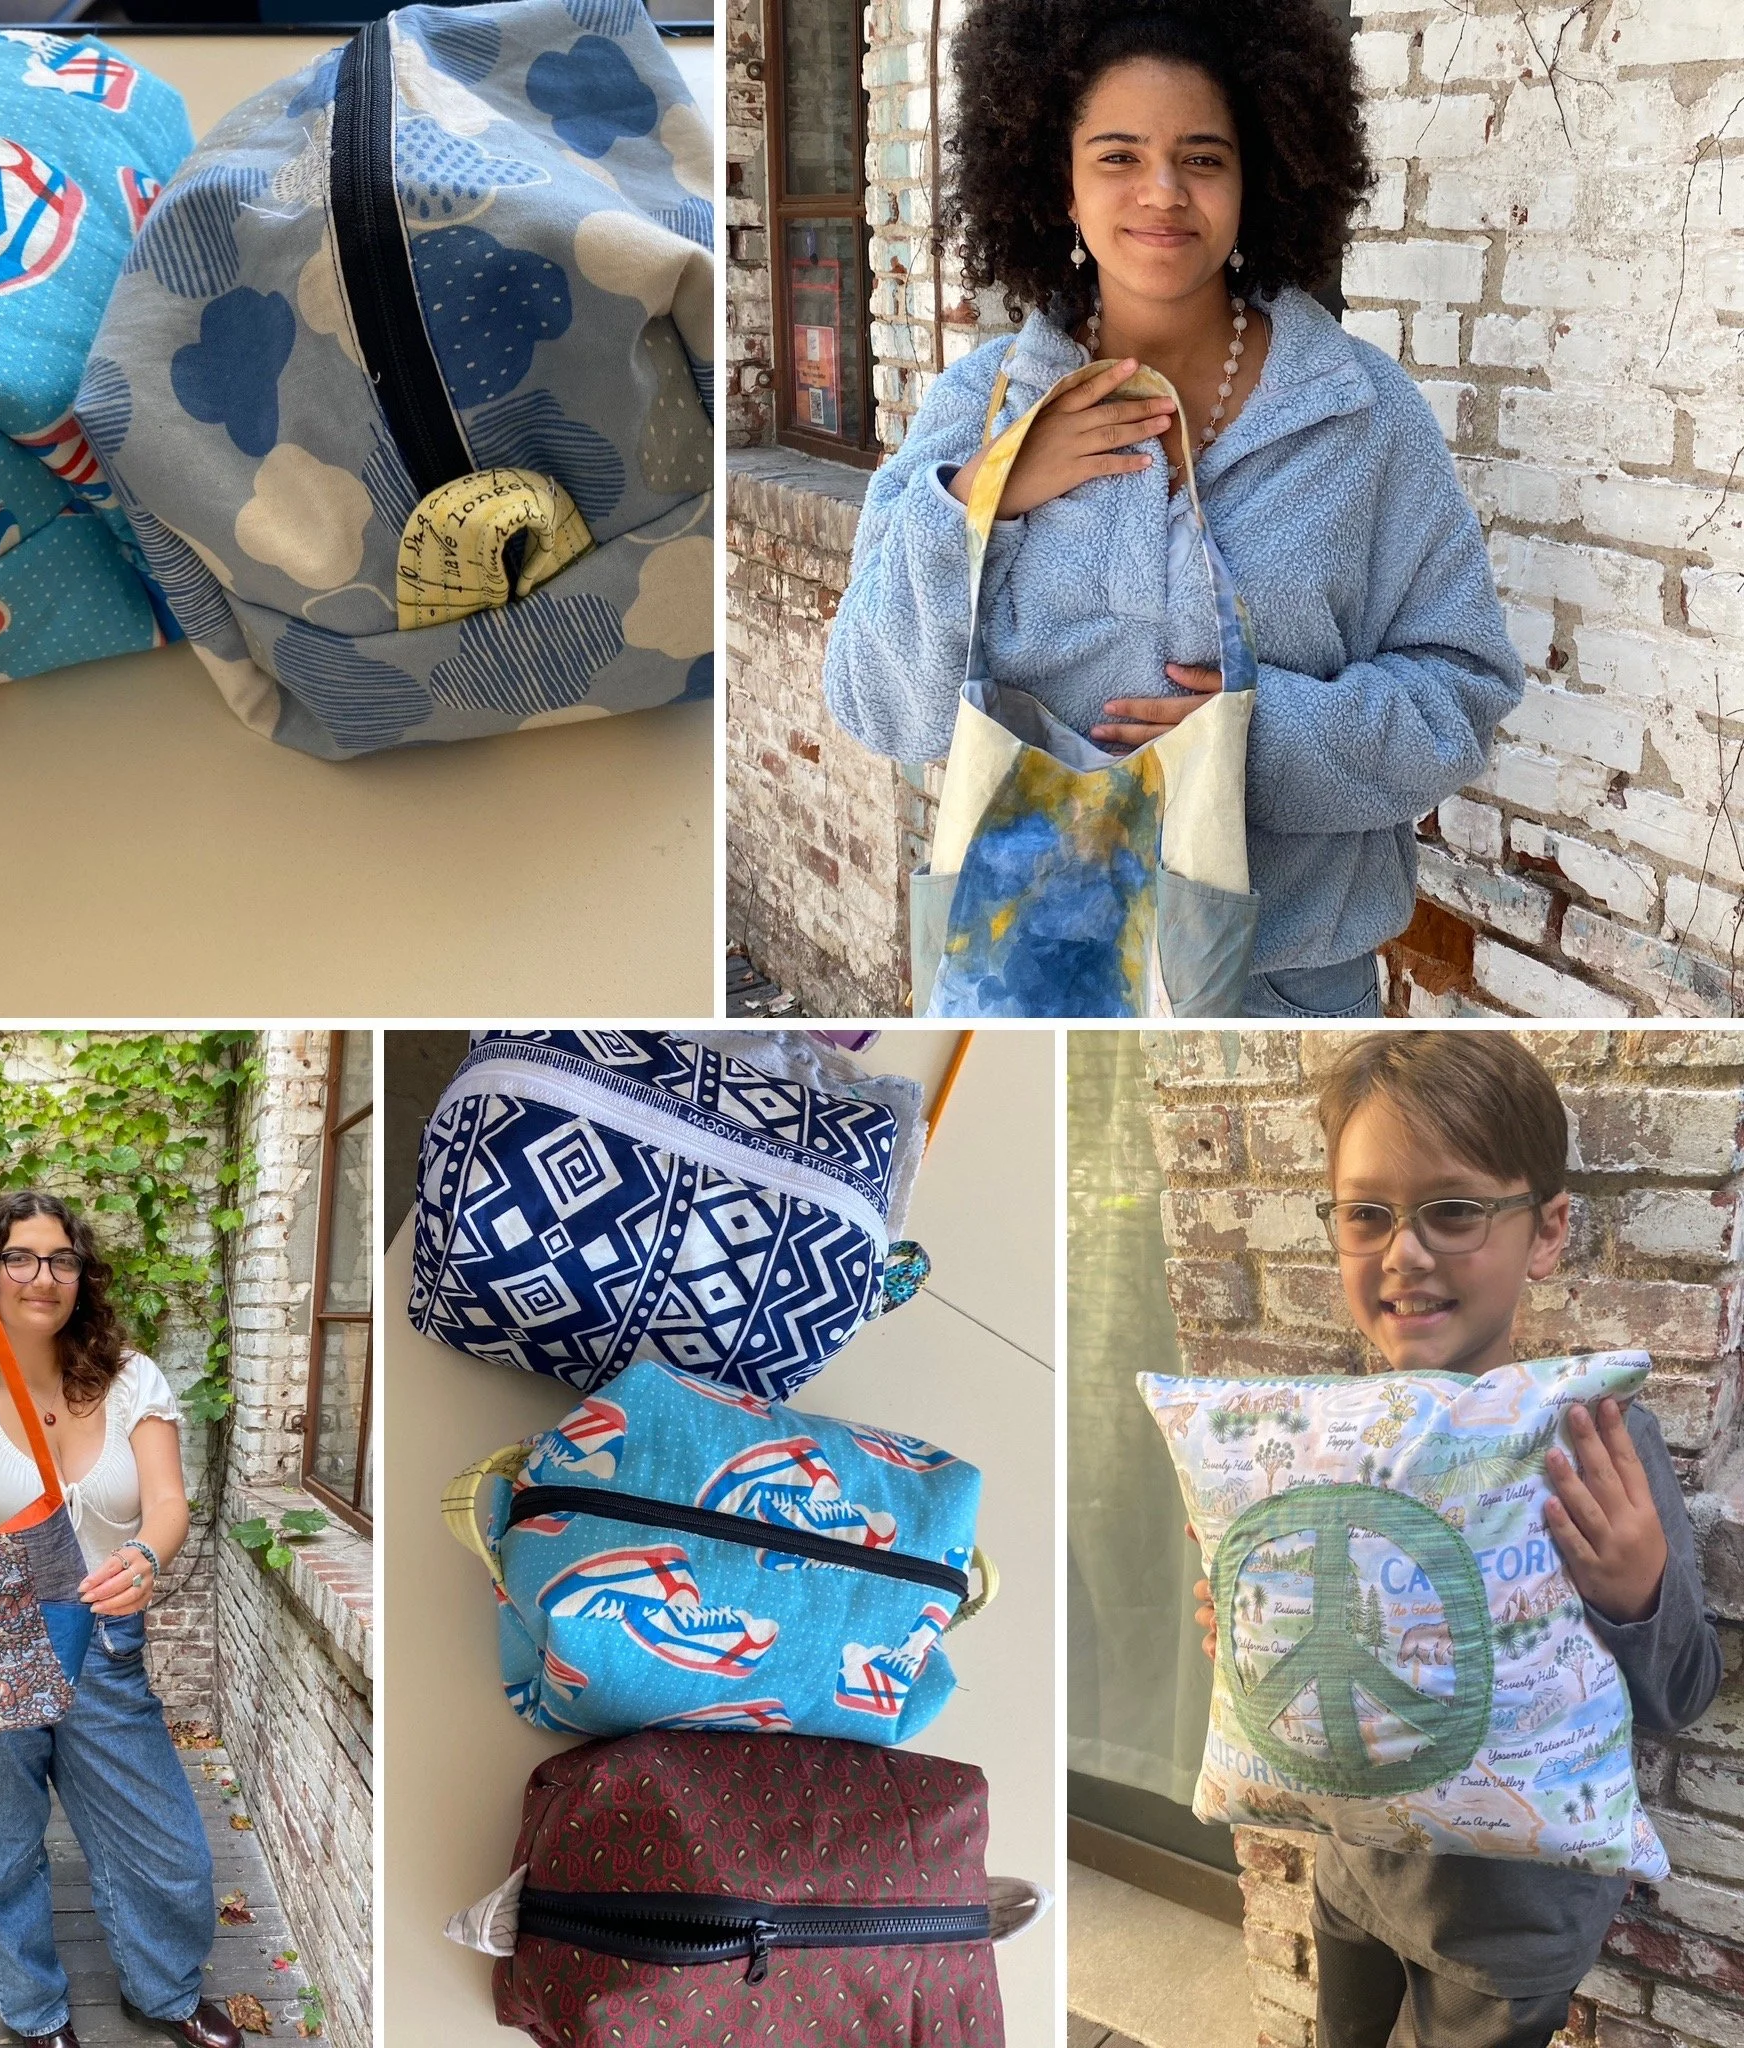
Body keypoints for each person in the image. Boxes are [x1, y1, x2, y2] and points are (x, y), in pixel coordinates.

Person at [820, 0, 1525, 1018]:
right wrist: (980, 498)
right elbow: (878, 707)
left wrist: (1248, 735)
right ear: (1052, 178)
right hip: (1032, 976)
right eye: (1116, 156)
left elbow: (1458, 696)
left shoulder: (1361, 418)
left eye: (1201, 157)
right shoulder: (979, 408)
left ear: (1258, 177)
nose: (1161, 193)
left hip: (1283, 993)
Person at [1191, 1034, 1723, 2046]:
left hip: (1510, 1927)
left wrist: (1635, 1590)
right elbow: (1319, 1639)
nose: (1402, 1251)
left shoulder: (1593, 1440)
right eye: (1366, 1214)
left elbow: (1682, 1689)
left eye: (1452, 1209)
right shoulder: (1322, 1440)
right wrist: (1251, 1638)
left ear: (1546, 1228)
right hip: (1351, 1870)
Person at [0, 1191, 238, 2048]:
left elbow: (168, 1500)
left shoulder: (133, 1378)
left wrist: (148, 1558)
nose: (42, 1276)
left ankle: (162, 1989)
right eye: (19, 1257)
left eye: (60, 1259)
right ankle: (32, 2011)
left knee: (166, 1846)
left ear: (81, 1274)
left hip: (101, 1640)